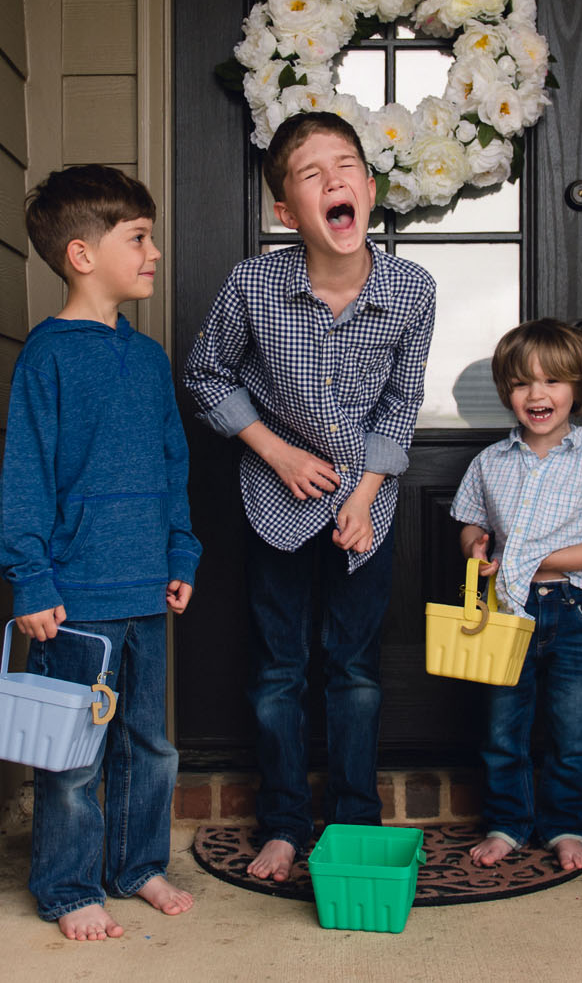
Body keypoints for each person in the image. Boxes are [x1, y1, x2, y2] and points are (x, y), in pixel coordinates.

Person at [182, 111, 436, 883]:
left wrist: (363, 495)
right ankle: (285, 823)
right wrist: (276, 450)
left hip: (366, 502)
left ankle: (354, 822)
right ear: (287, 212)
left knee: (355, 670)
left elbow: (400, 403)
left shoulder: (411, 289)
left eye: (348, 164)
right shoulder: (252, 286)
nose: (336, 179)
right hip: (275, 501)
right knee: (278, 669)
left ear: (368, 188)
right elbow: (206, 375)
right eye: (311, 172)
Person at [0, 165, 202, 941]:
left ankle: (135, 863)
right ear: (82, 254)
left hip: (147, 589)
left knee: (149, 743)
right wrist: (31, 578)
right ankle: (69, 883)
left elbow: (172, 464)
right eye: (138, 238)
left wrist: (181, 555)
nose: (153, 252)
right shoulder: (47, 357)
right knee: (75, 753)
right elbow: (26, 473)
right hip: (74, 599)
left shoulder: (148, 359)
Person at [452, 318, 582, 874]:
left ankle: (563, 825)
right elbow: (469, 524)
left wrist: (537, 559)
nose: (538, 395)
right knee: (501, 724)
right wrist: (476, 546)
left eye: (553, 382)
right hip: (507, 611)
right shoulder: (491, 463)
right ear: (507, 392)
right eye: (522, 384)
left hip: (569, 611)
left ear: (579, 390)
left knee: (575, 727)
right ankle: (507, 822)